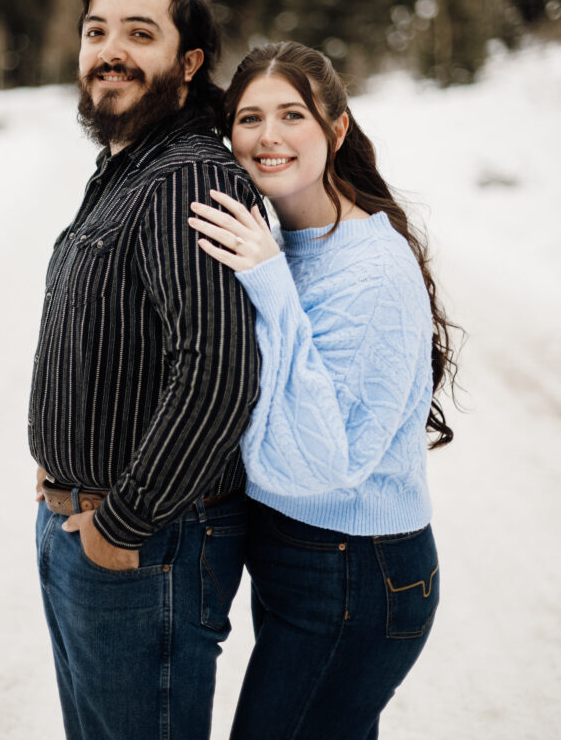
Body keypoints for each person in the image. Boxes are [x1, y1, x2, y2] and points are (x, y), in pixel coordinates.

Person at [189, 40, 456, 740]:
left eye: (291, 115)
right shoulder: (280, 238)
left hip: (355, 570)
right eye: (248, 118)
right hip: (297, 559)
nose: (267, 137)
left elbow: (326, 464)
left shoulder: (369, 269)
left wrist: (270, 286)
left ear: (336, 130)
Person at [28, 0, 262, 740]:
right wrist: (64, 451)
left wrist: (119, 524)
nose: (109, 50)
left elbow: (218, 372)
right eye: (96, 31)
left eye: (139, 32)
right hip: (89, 523)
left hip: (148, 543)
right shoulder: (128, 167)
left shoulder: (186, 180)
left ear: (188, 63)